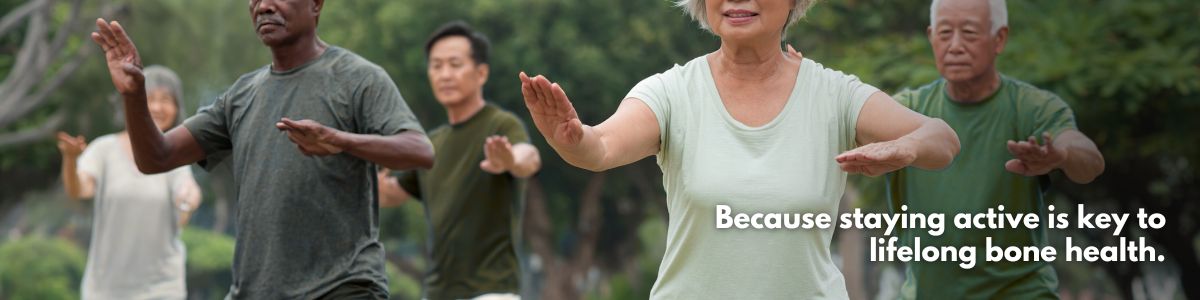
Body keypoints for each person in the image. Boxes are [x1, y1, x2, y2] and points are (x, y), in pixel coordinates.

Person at [517, 0, 962, 298]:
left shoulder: (834, 95)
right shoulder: (671, 92)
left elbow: (942, 138)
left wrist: (905, 148)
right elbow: (600, 148)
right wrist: (571, 138)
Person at [88, 0, 434, 298]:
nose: (263, 6)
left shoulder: (357, 78)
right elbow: (154, 158)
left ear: (316, 4)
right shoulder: (242, 96)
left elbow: (419, 150)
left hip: (342, 287)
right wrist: (134, 94)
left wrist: (340, 140)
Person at [887, 0, 1105, 298]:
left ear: (999, 39)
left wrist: (1063, 155)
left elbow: (1088, 160)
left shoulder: (1031, 107)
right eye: (944, 33)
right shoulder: (908, 109)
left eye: (970, 33)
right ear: (930, 36)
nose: (955, 46)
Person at [377, 21, 540, 300]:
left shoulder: (500, 124)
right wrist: (367, 179)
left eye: (455, 64)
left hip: (491, 292)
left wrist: (510, 160)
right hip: (439, 293)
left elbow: (529, 158)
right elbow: (394, 193)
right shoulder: (432, 143)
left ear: (481, 72)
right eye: (436, 66)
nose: (445, 74)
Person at [57, 65, 200, 300]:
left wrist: (188, 201)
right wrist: (70, 159)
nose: (156, 107)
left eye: (166, 100)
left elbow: (187, 192)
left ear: (176, 108)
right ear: (131, 105)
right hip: (105, 289)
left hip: (161, 289)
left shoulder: (175, 155)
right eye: (149, 99)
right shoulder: (104, 150)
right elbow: (78, 189)